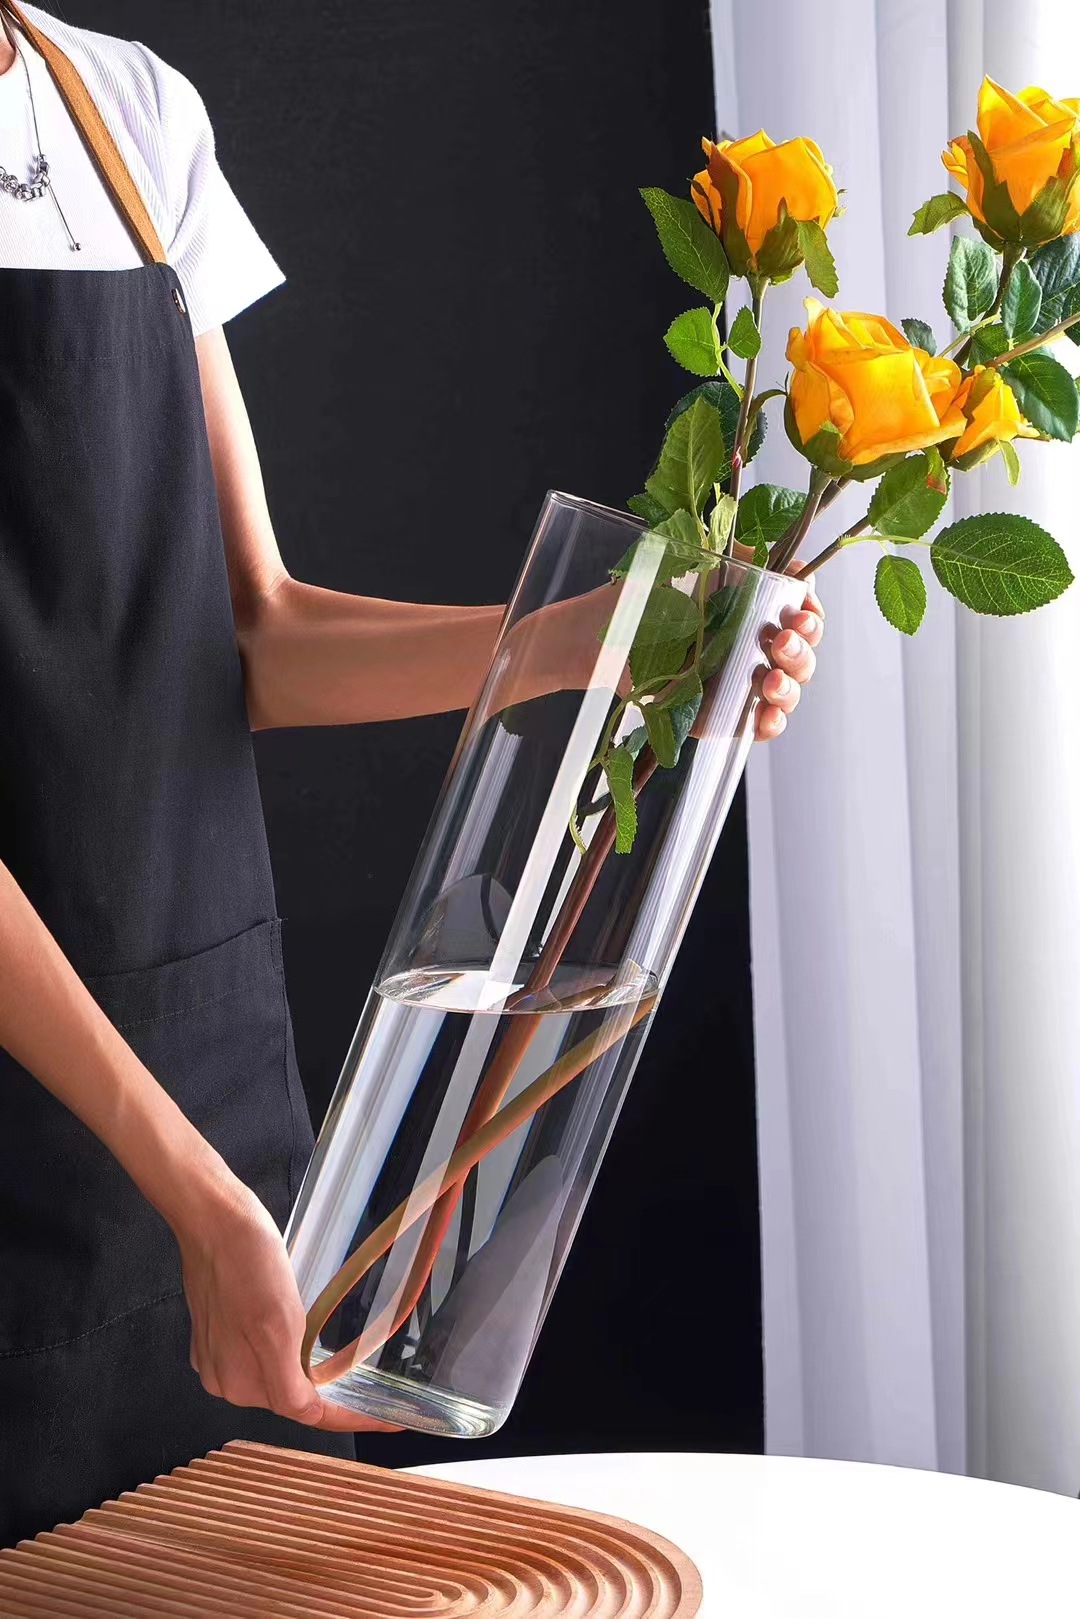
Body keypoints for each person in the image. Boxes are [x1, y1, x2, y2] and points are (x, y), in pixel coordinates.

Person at [0, 0, 824, 1546]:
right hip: (118, 1138)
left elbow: (253, 631)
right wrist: (194, 1196)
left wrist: (604, 639)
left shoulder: (127, 111)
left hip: (202, 1072)